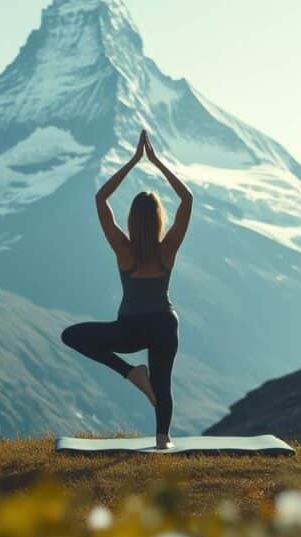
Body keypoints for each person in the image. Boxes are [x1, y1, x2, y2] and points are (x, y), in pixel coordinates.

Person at [61, 130, 194, 449]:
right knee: (162, 381)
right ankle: (163, 439)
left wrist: (134, 161)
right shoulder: (167, 251)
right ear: (159, 220)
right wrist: (156, 162)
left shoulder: (124, 250)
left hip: (129, 328)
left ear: (132, 220)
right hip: (163, 325)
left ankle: (130, 372)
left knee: (72, 335)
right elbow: (187, 200)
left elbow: (101, 200)